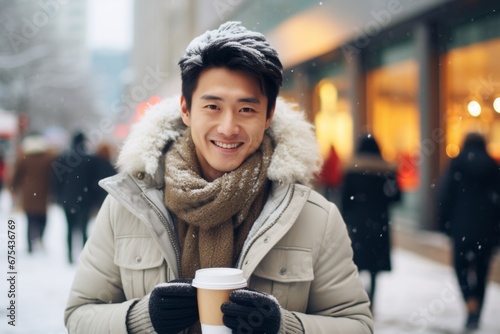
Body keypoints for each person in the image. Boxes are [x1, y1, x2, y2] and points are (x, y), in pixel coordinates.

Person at [64, 21, 373, 334]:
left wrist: (284, 327)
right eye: (213, 106)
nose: (228, 127)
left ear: (268, 115)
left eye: (246, 110)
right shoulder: (129, 206)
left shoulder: (314, 217)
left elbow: (357, 325)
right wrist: (142, 318)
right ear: (186, 109)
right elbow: (79, 316)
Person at [437, 132, 500, 330]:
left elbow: (445, 196)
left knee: (460, 268)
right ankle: (477, 312)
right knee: (481, 272)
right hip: (487, 229)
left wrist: (443, 224)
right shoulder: (493, 167)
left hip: (461, 227)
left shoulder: (456, 164)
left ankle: (470, 303)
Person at [340, 134, 401, 312]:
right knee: (375, 264)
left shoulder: (352, 170)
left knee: (356, 261)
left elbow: (344, 200)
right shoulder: (387, 171)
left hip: (358, 223)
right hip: (379, 222)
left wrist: (347, 218)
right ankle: (372, 298)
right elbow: (396, 197)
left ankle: (358, 297)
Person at [52, 131, 98, 264]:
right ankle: (84, 255)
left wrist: (58, 196)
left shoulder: (63, 158)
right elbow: (94, 181)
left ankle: (70, 255)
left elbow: (56, 180)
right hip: (85, 199)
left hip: (68, 199)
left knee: (69, 228)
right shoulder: (90, 159)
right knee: (84, 228)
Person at [9, 132, 55, 253]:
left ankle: (30, 244)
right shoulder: (48, 158)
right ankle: (40, 237)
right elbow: (54, 175)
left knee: (30, 219)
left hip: (28, 193)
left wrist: (14, 187)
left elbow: (17, 176)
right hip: (43, 192)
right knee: (43, 218)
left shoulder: (24, 158)